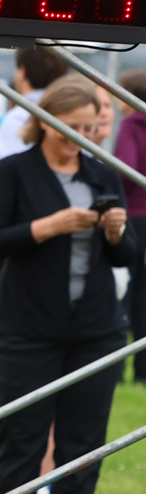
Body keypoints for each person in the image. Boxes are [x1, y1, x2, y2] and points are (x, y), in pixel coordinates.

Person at [0, 75, 136, 494]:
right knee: (22, 436)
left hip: (96, 329)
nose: (81, 138)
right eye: (72, 127)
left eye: (91, 129)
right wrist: (49, 226)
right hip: (27, 327)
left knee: (84, 441)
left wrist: (116, 232)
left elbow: (125, 256)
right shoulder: (14, 170)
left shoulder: (102, 174)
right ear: (46, 122)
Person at [115, 70, 146, 384]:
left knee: (122, 291)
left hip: (133, 217)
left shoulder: (129, 125)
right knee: (144, 296)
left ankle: (115, 365)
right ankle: (142, 369)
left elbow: (126, 166)